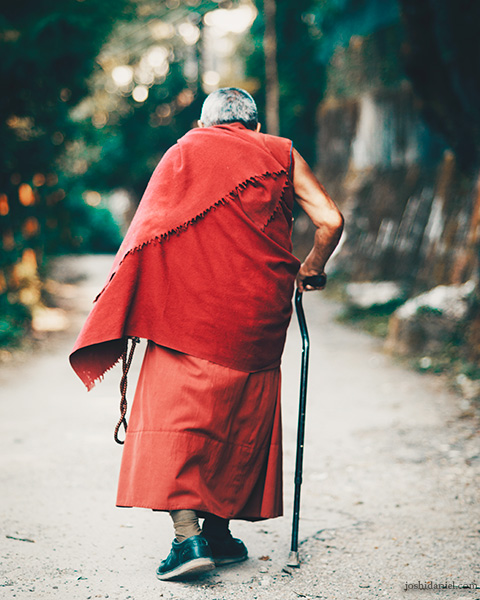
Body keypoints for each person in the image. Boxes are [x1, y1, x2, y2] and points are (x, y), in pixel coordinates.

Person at [70, 87, 343, 581]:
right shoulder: (279, 151)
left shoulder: (185, 152)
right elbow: (330, 220)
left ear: (203, 125)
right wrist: (311, 268)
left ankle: (188, 539)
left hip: (189, 315)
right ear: (255, 127)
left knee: (180, 420)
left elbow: (147, 232)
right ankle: (218, 533)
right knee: (240, 419)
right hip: (258, 319)